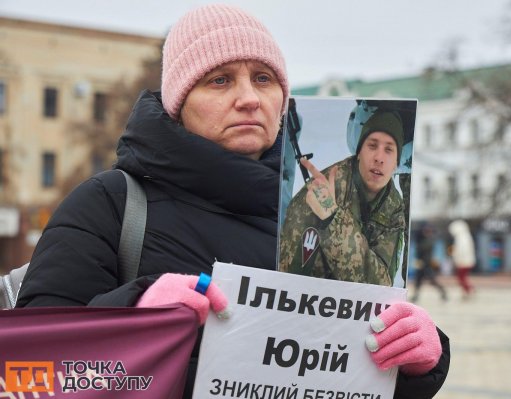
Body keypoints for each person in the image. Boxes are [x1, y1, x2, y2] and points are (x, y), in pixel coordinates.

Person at [16, 4, 449, 398]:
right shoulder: (110, 204)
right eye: (219, 80)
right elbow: (28, 367)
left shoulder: (309, 205)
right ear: (178, 102)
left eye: (263, 78)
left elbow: (346, 370)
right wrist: (137, 314)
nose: (248, 98)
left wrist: (420, 361)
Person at [279, 109, 406, 286]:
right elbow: (286, 281)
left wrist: (333, 218)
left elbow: (380, 286)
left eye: (389, 150)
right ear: (359, 152)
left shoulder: (394, 205)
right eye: (372, 146)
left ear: (396, 164)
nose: (379, 158)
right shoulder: (318, 194)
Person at [411, 224, 448, 302]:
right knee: (418, 281)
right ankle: (415, 296)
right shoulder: (422, 239)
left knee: (432, 280)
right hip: (421, 264)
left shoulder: (430, 240)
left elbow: (423, 248)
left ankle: (443, 292)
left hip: (427, 264)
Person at [448, 219, 476, 299]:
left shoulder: (461, 237)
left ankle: (469, 290)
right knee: (463, 277)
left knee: (461, 278)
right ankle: (467, 290)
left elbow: (461, 250)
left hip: (463, 262)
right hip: (467, 261)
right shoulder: (466, 236)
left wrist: (458, 259)